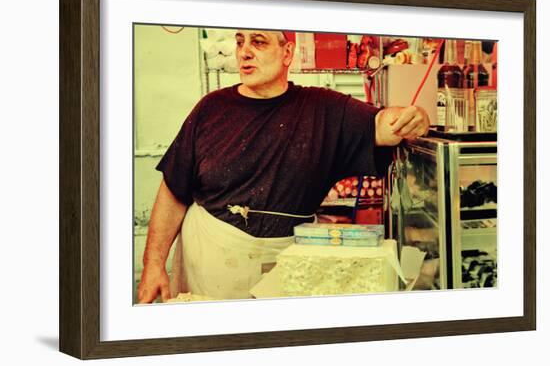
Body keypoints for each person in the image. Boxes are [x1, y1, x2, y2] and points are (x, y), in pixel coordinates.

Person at [137, 29, 430, 303]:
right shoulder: (210, 108)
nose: (244, 52)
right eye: (240, 42)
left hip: (288, 262)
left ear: (287, 53)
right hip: (210, 259)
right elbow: (173, 191)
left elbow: (382, 124)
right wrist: (153, 264)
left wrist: (414, 116)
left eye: (259, 42)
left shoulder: (324, 108)